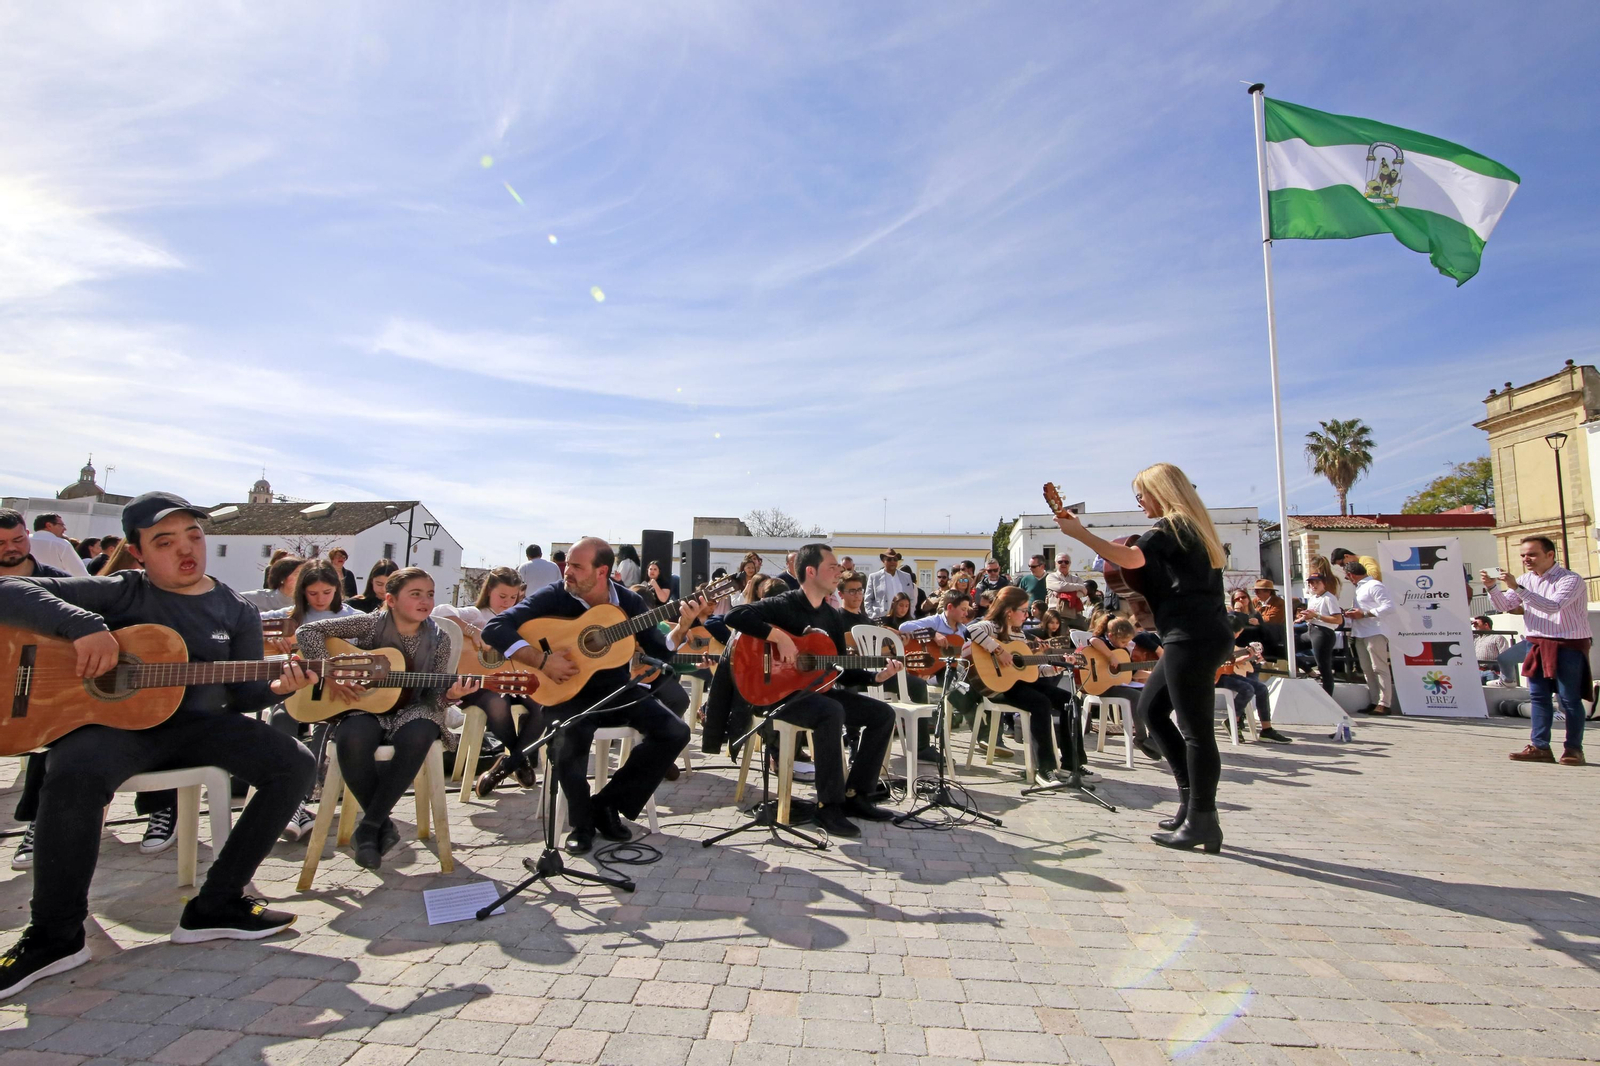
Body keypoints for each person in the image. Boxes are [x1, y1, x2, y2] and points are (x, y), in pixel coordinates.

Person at [0, 493, 318, 999]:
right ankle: (55, 936)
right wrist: (85, 627)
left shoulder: (234, 609)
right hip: (118, 730)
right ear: (139, 551)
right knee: (73, 771)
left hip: (198, 727)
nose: (186, 550)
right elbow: (8, 589)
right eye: (165, 542)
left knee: (294, 763)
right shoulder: (121, 593)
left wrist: (280, 686)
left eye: (194, 536)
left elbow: (245, 695)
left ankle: (217, 902)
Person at [1052, 462, 1233, 854]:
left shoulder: (1173, 526)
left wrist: (1080, 533)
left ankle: (1203, 818)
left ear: (1161, 492)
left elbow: (1130, 559)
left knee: (1196, 731)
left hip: (1193, 636)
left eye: (1141, 494)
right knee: (1151, 711)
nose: (1139, 502)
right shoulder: (1193, 529)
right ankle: (1191, 806)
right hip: (1197, 634)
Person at [483, 538, 690, 854]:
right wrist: (542, 660)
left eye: (577, 567)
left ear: (602, 571)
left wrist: (684, 625)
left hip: (617, 689)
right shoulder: (554, 596)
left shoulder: (628, 603)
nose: (567, 571)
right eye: (567, 564)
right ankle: (581, 824)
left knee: (675, 731)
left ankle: (605, 805)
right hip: (566, 694)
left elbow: (660, 649)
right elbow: (495, 627)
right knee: (567, 740)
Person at [291, 568, 479, 869]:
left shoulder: (439, 638)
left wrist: (452, 694)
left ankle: (369, 827)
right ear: (390, 600)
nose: (425, 601)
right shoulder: (369, 624)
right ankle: (382, 825)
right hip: (365, 706)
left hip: (414, 709)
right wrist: (331, 673)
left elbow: (433, 697)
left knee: (419, 733)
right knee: (352, 737)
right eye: (415, 594)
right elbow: (307, 632)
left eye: (429, 594)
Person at [724, 544, 900, 837]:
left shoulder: (831, 616)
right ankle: (827, 807)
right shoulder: (785, 603)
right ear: (811, 571)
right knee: (831, 711)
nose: (839, 572)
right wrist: (778, 637)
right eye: (832, 567)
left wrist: (876, 677)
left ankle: (857, 795)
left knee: (882, 713)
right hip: (778, 695)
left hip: (816, 692)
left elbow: (838, 666)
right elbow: (735, 616)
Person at [260, 560, 360, 839]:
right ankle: (292, 803)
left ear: (336, 591)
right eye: (312, 594)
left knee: (323, 731)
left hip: (333, 696)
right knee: (280, 720)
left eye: (326, 593)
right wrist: (271, 636)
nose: (319, 599)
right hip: (295, 692)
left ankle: (297, 803)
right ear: (302, 591)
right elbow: (250, 625)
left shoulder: (349, 616)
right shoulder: (290, 616)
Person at [435, 568, 542, 797]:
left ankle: (506, 765)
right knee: (497, 703)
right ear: (489, 591)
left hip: (511, 681)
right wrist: (471, 630)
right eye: (502, 596)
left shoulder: (518, 619)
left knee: (542, 705)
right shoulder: (477, 614)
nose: (507, 602)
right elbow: (440, 612)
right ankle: (519, 761)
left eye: (513, 597)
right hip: (476, 685)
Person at [1484, 537, 1588, 764]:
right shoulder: (1524, 580)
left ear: (1550, 555)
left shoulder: (1570, 580)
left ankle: (1574, 749)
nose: (1526, 559)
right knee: (1538, 696)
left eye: (1532, 554)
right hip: (1537, 643)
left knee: (1569, 699)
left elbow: (1553, 607)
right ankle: (1540, 746)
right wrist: (1492, 587)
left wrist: (1517, 588)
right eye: (1522, 555)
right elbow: (1504, 606)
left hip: (1567, 644)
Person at [965, 587, 1077, 784]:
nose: (1027, 615)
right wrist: (999, 651)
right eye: (1023, 610)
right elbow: (972, 630)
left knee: (1068, 699)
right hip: (998, 687)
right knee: (1040, 703)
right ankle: (1044, 768)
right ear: (1009, 611)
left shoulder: (1021, 636)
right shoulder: (994, 626)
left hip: (1017, 683)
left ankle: (1071, 763)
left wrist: (1054, 669)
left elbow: (1031, 669)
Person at [1217, 614, 1292, 743]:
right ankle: (1233, 721)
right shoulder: (1216, 642)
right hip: (1214, 677)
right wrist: (1242, 658)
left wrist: (1247, 657)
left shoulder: (1230, 643)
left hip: (1226, 674)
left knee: (1262, 688)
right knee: (1247, 688)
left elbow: (1229, 662)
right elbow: (1218, 663)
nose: (1238, 636)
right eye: (1238, 633)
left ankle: (1266, 730)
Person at [1343, 561, 1396, 715]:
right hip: (1360, 632)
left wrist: (1364, 614)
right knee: (1367, 669)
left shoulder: (1374, 585)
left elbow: (1389, 606)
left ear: (1351, 575)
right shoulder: (1360, 587)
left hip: (1375, 631)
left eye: (1347, 578)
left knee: (1379, 668)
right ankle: (1375, 701)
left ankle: (1384, 703)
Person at [1296, 570, 1343, 697]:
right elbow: (1313, 616)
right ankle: (1308, 670)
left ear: (1324, 584)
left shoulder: (1329, 598)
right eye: (1311, 583)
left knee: (1323, 666)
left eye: (1317, 582)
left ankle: (1328, 697)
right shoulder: (1312, 598)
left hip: (1323, 633)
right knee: (1289, 647)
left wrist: (1316, 615)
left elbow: (1338, 620)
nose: (1314, 586)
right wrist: (1304, 618)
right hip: (1311, 630)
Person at [0, 509, 71, 580]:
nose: (11, 548)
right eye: (1, 543)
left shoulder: (60, 581)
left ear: (27, 535)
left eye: (18, 540)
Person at [27, 514, 88, 578]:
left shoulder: (24, 541)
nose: (65, 529)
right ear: (49, 525)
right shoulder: (62, 544)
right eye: (62, 525)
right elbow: (80, 574)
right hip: (53, 585)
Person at [866, 548, 915, 619]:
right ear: (883, 561)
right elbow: (868, 600)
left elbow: (911, 598)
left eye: (895, 559)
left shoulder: (906, 577)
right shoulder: (874, 577)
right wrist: (872, 615)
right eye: (889, 559)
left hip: (902, 618)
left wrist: (910, 614)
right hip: (882, 617)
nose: (892, 562)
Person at [1472, 615, 1512, 684]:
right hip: (1477, 671)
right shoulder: (1476, 638)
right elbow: (1463, 632)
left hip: (1492, 672)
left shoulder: (1498, 638)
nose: (1474, 626)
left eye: (1477, 624)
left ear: (1486, 625)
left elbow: (1505, 657)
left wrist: (1505, 676)